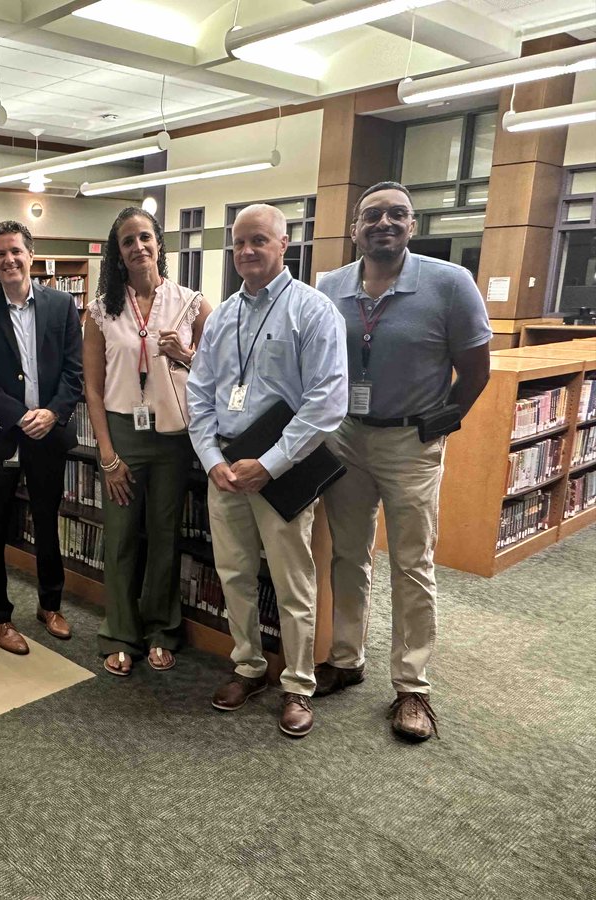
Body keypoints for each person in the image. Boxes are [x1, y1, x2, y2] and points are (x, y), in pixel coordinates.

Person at [315, 181, 491, 741]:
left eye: (397, 214)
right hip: (345, 436)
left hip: (409, 444)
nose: (384, 223)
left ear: (412, 226)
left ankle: (412, 687)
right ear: (355, 228)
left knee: (413, 561)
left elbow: (476, 368)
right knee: (348, 554)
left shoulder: (449, 283)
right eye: (372, 215)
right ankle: (346, 658)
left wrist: (441, 422)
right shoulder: (331, 286)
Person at [188, 203, 348, 738]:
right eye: (239, 243)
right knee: (233, 573)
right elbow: (200, 392)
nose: (247, 251)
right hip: (226, 468)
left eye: (259, 240)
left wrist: (272, 463)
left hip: (283, 468)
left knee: (291, 581)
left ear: (284, 245)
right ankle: (249, 667)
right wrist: (212, 460)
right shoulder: (223, 316)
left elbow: (327, 401)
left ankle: (299, 685)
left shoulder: (314, 310)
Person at [84, 207, 211, 676]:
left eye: (144, 238)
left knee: (163, 534)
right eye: (127, 242)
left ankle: (161, 629)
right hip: (121, 434)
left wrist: (189, 355)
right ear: (117, 255)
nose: (137, 247)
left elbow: (215, 374)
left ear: (159, 243)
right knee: (120, 538)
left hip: (172, 436)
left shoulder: (191, 303)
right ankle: (119, 631)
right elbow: (93, 388)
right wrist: (107, 456)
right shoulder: (101, 311)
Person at [0, 220, 83, 654]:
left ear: (31, 254)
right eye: (0, 254)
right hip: (1, 436)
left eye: (16, 251)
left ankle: (50, 605)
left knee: (48, 523)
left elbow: (74, 370)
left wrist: (52, 413)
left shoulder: (62, 305)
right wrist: (19, 417)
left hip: (49, 435)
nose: (9, 260)